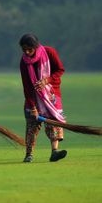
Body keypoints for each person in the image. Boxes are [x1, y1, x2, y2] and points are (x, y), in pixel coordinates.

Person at [19, 33, 67, 163]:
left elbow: (60, 70)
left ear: (36, 46)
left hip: (51, 96)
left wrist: (47, 80)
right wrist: (33, 107)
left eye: (30, 49)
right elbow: (27, 86)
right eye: (24, 50)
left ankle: (54, 152)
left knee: (53, 122)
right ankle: (29, 154)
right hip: (33, 98)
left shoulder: (49, 52)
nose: (27, 53)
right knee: (31, 125)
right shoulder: (24, 62)